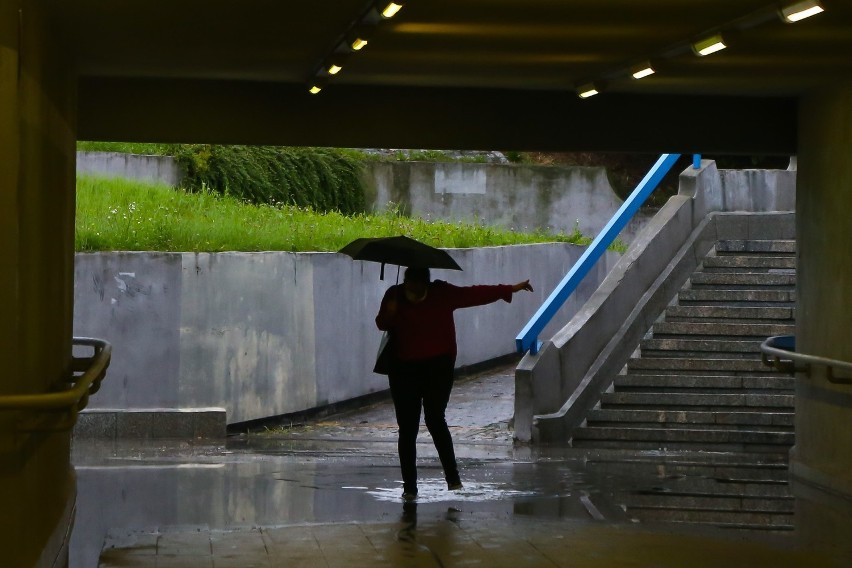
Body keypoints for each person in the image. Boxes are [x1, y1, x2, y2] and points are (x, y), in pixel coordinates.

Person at [375, 266, 533, 501]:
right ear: (405, 282)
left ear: (425, 284)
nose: (412, 293)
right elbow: (382, 324)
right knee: (407, 428)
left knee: (435, 419)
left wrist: (508, 289)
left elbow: (473, 294)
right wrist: (390, 312)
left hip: (438, 367)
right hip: (403, 370)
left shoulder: (442, 293)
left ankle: (453, 480)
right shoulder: (394, 295)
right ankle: (410, 487)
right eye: (409, 287)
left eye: (416, 289)